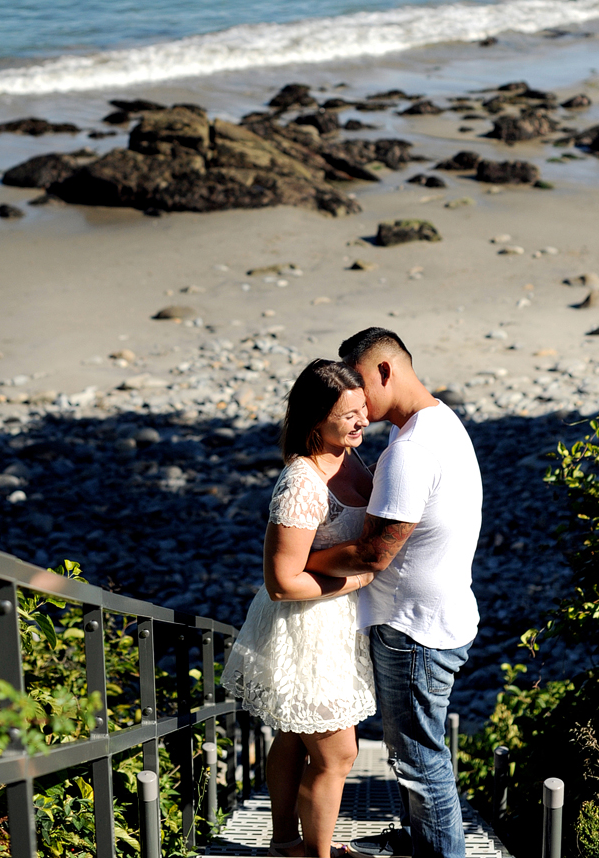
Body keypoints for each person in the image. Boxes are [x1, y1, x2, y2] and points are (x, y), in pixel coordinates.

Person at [305, 328, 482, 858]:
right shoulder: (442, 422)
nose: (352, 400)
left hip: (414, 630)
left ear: (386, 371)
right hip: (440, 617)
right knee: (417, 754)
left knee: (420, 760)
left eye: (357, 383)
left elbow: (371, 555)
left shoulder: (410, 451)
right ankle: (417, 836)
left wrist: (296, 565)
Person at [223, 359, 378, 858]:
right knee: (338, 754)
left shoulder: (348, 455)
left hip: (335, 621)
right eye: (348, 414)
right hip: (307, 626)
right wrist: (355, 579)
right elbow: (282, 584)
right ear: (315, 421)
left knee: (293, 735)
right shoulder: (301, 485)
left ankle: (287, 842)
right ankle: (318, 854)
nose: (362, 422)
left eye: (363, 409)